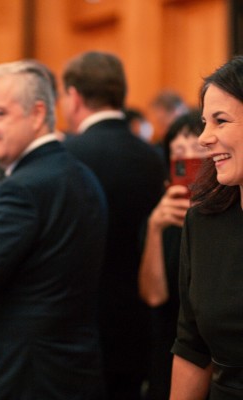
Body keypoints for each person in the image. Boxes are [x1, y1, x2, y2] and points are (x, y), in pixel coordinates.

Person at [0, 60, 108, 399]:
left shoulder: (21, 189)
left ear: (37, 113)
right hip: (74, 367)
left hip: (25, 375)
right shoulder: (79, 174)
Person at [61, 50, 166, 399]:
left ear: (73, 97)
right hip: (141, 322)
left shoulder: (68, 156)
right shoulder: (153, 157)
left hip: (79, 328)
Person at [170, 56, 243, 399]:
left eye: (220, 121)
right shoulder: (202, 222)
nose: (203, 138)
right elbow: (191, 345)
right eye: (204, 122)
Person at [138, 110, 207, 400]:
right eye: (179, 152)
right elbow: (153, 296)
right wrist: (155, 228)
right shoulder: (161, 218)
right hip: (169, 353)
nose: (189, 158)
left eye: (198, 149)